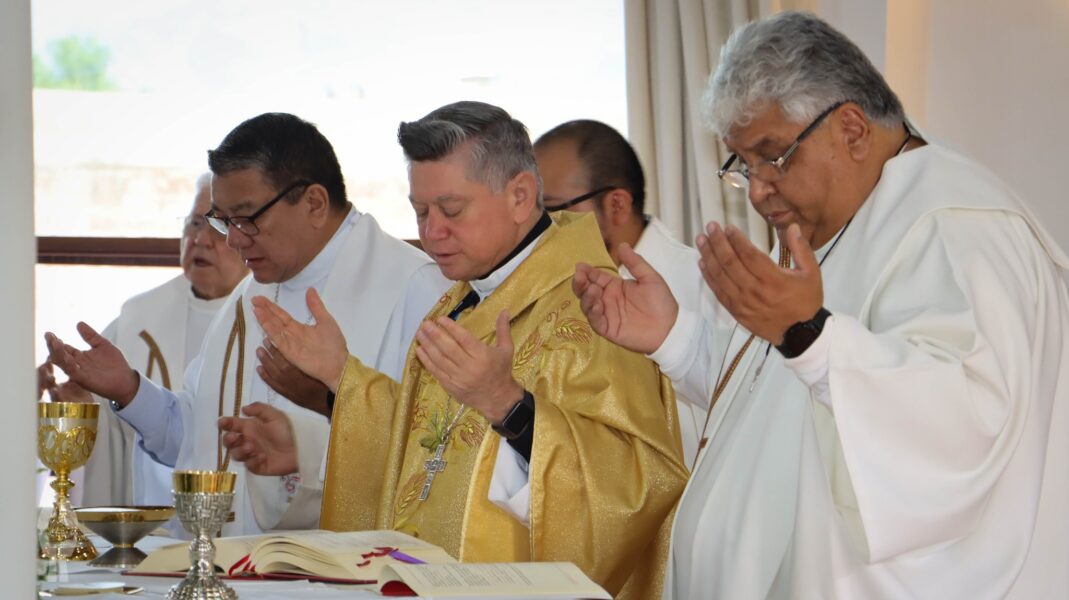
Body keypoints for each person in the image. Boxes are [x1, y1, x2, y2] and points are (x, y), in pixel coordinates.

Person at [573, 11, 1069, 599]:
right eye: (743, 165)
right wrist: (674, 339)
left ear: (852, 130)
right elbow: (787, 412)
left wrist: (807, 333)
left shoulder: (955, 228)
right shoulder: (838, 225)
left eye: (772, 156)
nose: (757, 189)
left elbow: (962, 428)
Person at [220, 101, 688, 599]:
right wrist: (343, 381)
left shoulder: (593, 307)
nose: (431, 232)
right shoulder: (459, 303)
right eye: (420, 211)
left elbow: (637, 491)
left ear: (520, 196)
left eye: (451, 210)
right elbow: (430, 461)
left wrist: (511, 408)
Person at [45, 112, 449, 535]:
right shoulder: (250, 296)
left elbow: (437, 459)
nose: (234, 239)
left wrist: (317, 426)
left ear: (314, 202)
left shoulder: (413, 289)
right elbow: (199, 442)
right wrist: (128, 390)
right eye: (223, 220)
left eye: (246, 218)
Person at [534, 119, 711, 463]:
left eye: (553, 209)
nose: (540, 227)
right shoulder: (550, 290)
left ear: (616, 204)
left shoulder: (705, 288)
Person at [69, 173, 248, 507]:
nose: (201, 240)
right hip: (145, 527)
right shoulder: (137, 318)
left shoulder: (262, 315)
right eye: (194, 223)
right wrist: (81, 402)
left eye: (218, 227)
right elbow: (93, 410)